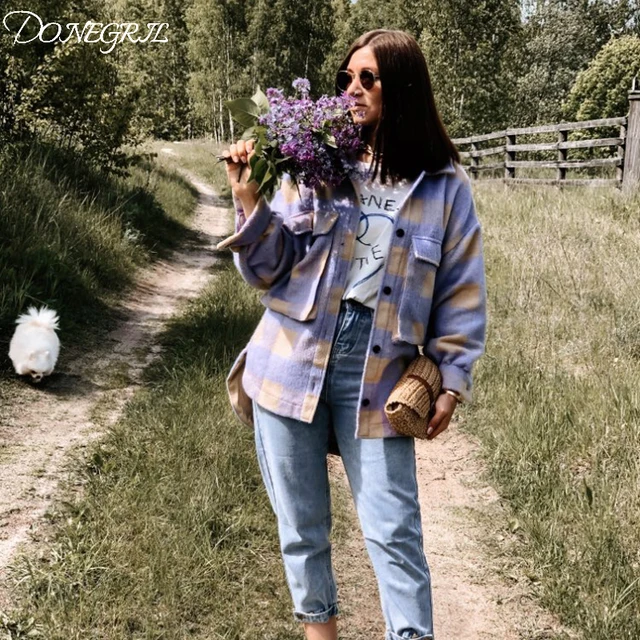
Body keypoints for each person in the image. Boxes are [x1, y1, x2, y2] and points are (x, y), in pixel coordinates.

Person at [216, 29, 487, 640]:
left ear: (403, 87)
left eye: (368, 78)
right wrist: (249, 201)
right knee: (302, 526)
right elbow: (269, 270)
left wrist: (452, 380)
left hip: (381, 368)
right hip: (292, 352)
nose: (351, 90)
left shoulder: (444, 186)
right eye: (346, 78)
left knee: (395, 531)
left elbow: (462, 291)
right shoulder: (315, 162)